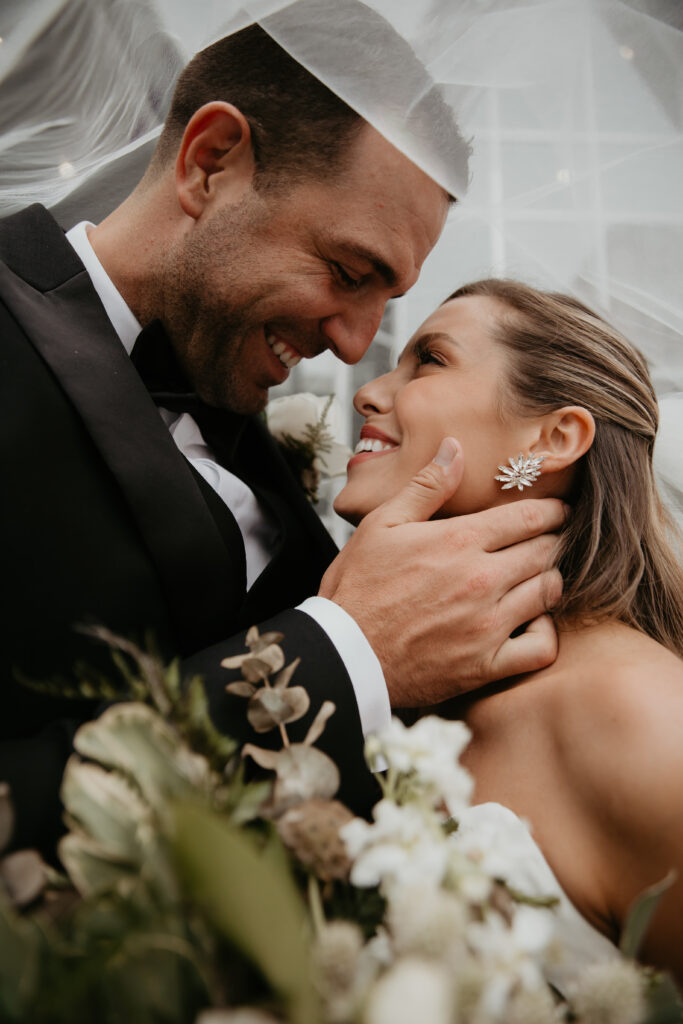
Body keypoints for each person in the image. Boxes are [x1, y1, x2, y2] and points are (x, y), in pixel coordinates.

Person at [0, 25, 566, 857]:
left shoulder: (243, 417)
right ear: (211, 161)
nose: (353, 343)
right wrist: (340, 654)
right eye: (347, 270)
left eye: (389, 298)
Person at [333, 278, 683, 985]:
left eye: (428, 360)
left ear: (554, 438)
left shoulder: (643, 719)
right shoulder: (400, 675)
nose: (367, 393)